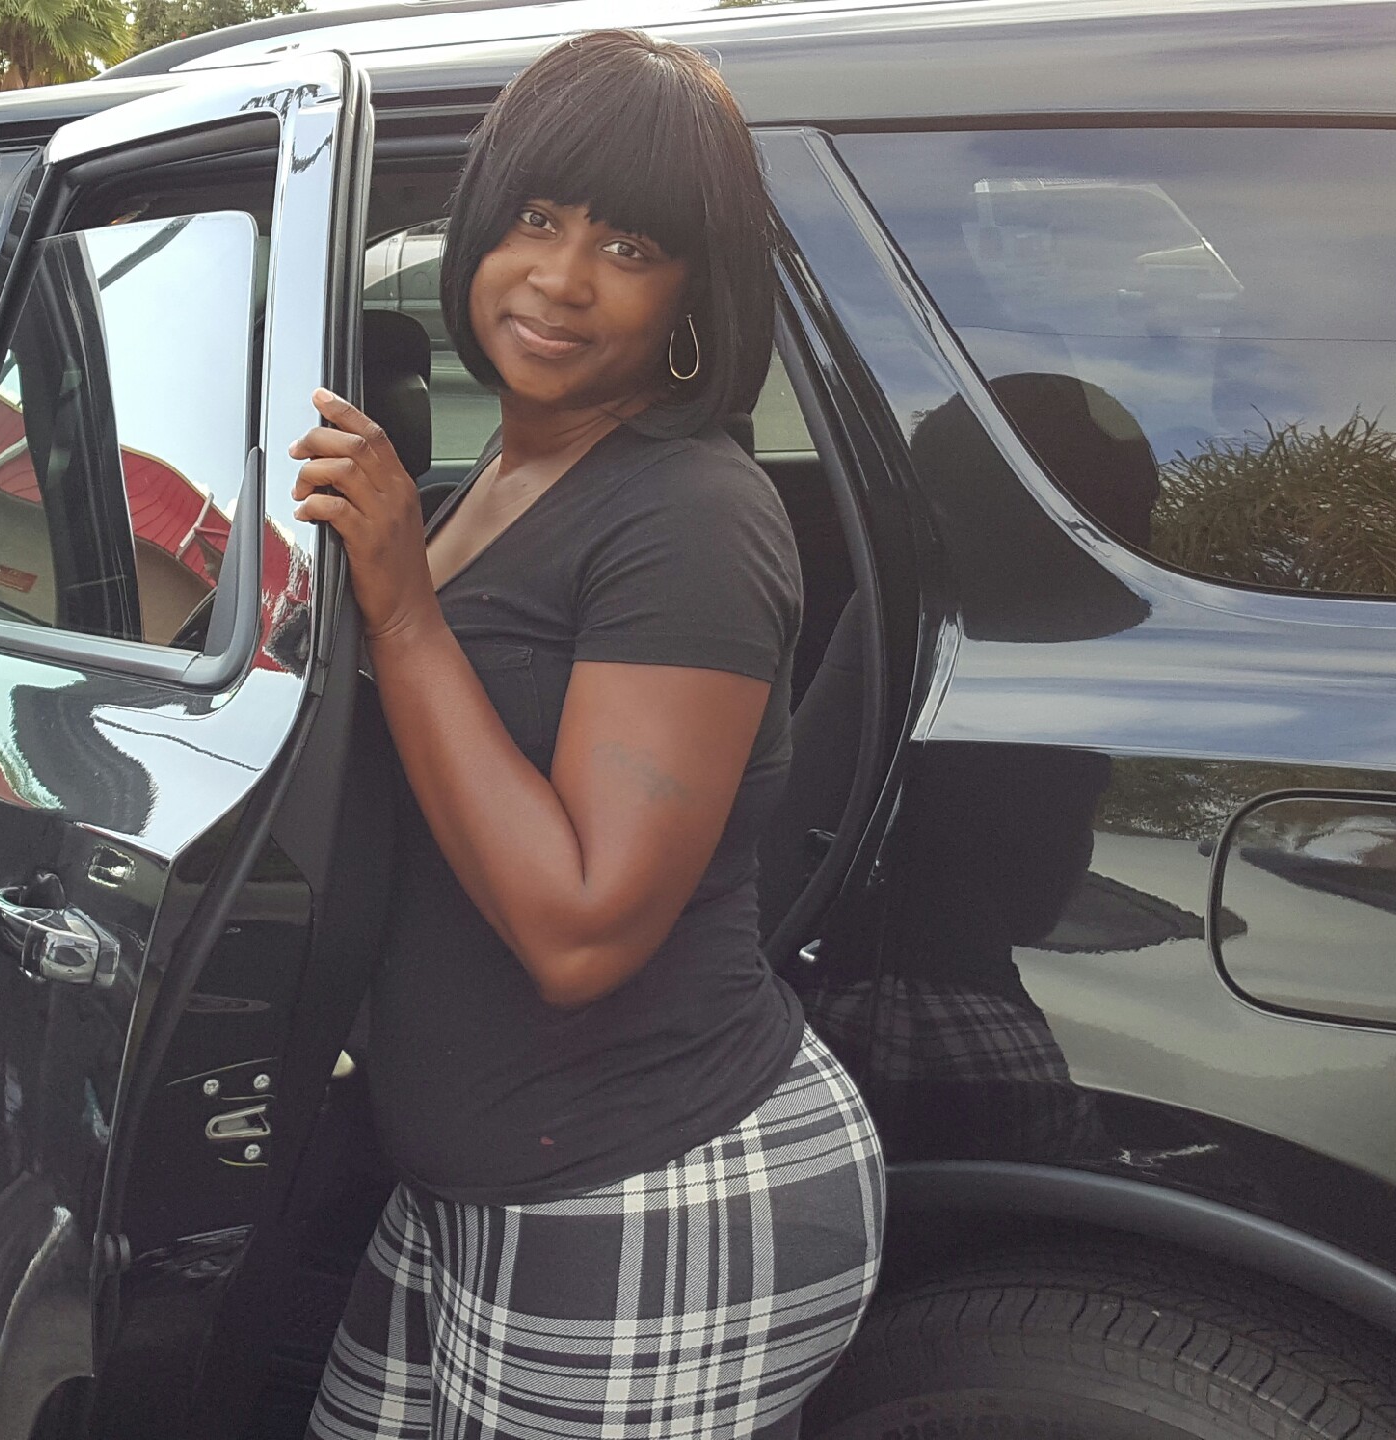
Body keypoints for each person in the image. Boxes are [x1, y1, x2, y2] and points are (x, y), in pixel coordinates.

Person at [287, 29, 883, 1439]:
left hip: (649, 1186)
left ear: (691, 290)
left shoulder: (690, 513)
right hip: (481, 1185)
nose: (559, 279)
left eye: (629, 246)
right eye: (536, 219)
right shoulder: (501, 474)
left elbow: (582, 931)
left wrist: (402, 610)